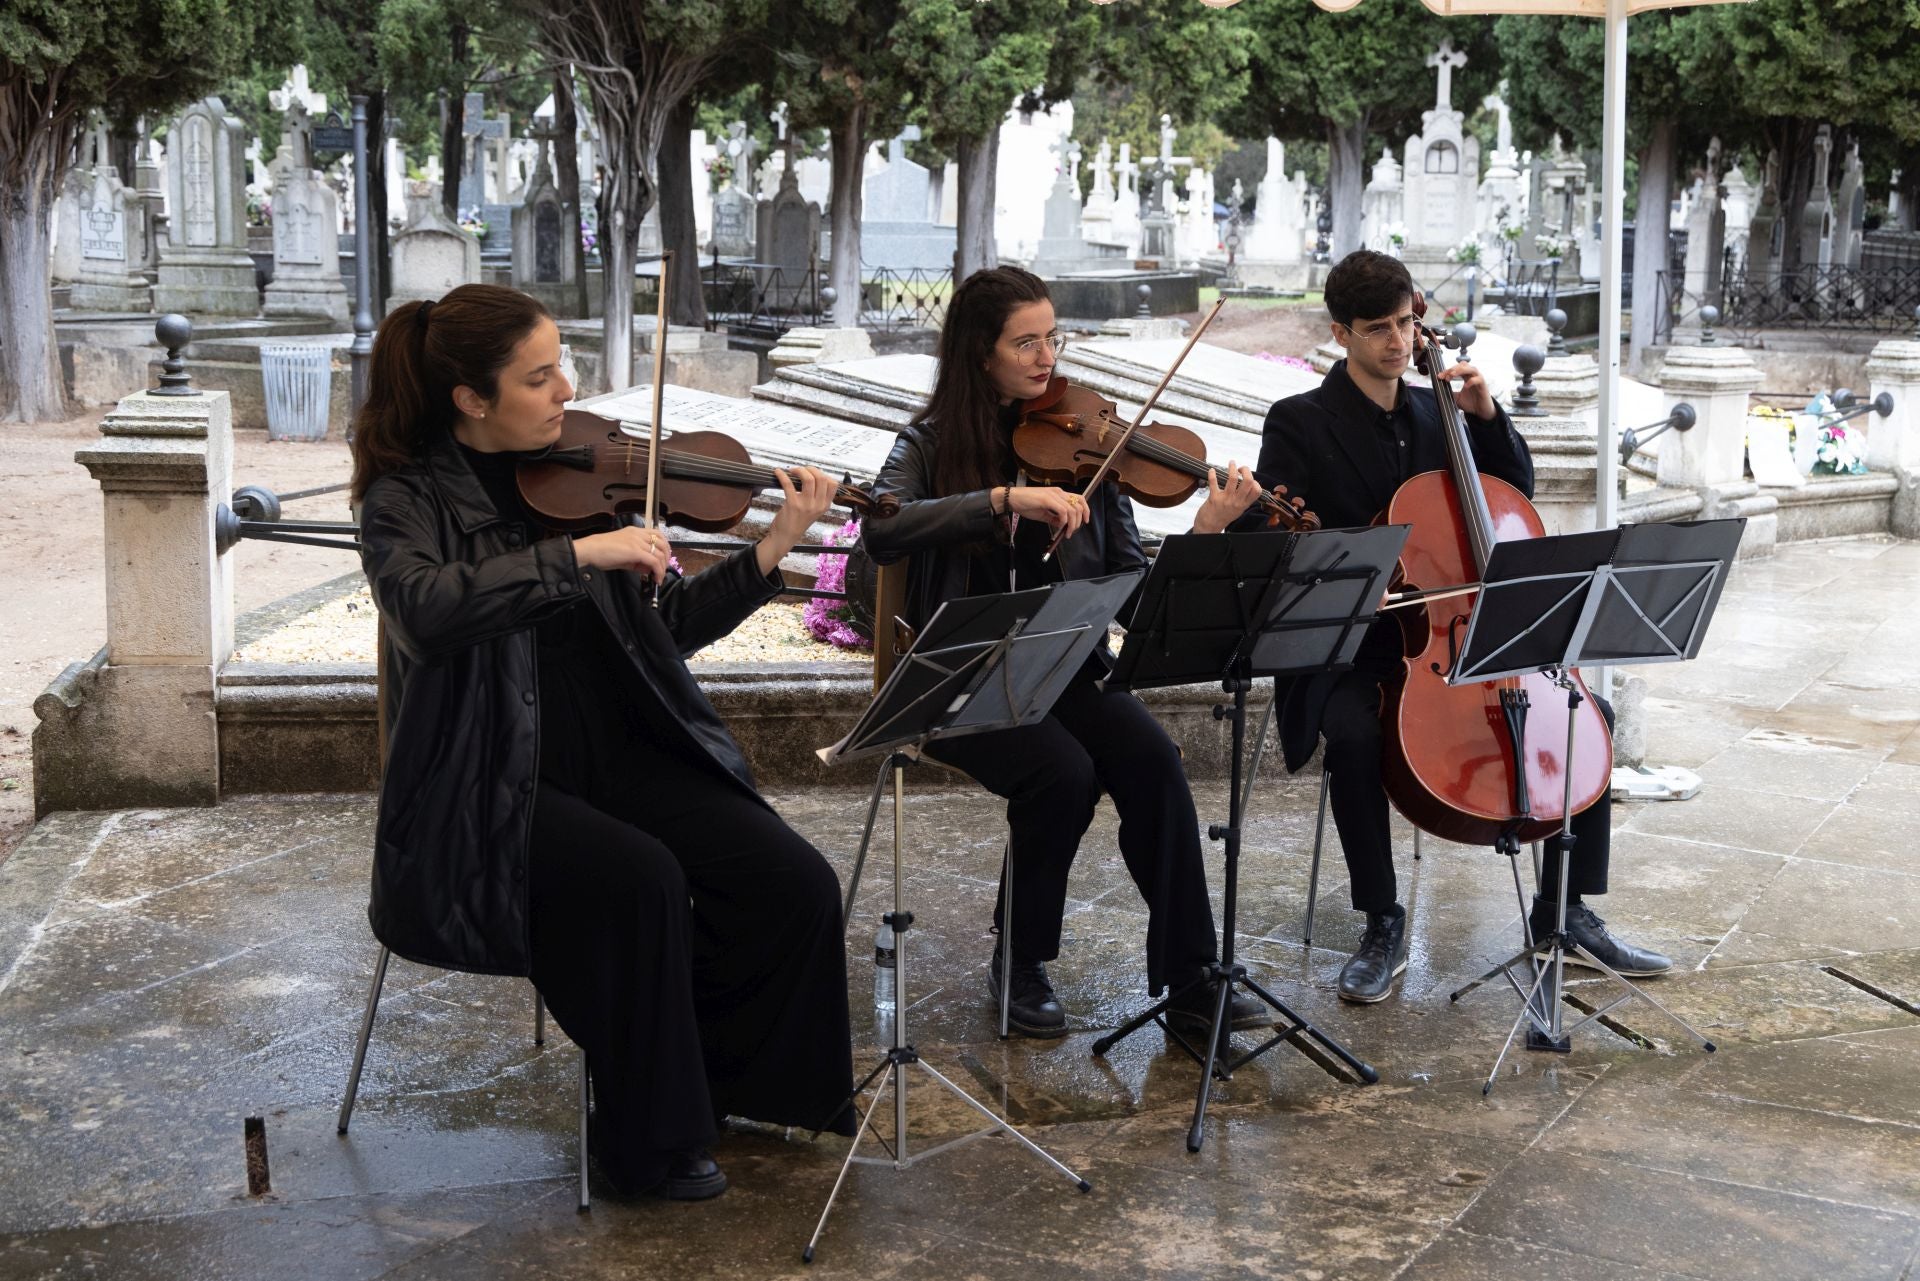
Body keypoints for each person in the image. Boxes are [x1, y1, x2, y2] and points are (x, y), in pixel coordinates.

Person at [350, 283, 855, 1200]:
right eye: (538, 377)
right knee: (641, 878)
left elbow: (662, 634)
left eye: (562, 368)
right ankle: (643, 1137)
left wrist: (772, 546)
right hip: (487, 777)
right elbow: (425, 612)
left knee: (793, 880)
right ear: (471, 398)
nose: (565, 389)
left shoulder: (581, 474)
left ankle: (720, 1081)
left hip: (617, 754)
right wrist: (579, 556)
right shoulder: (406, 497)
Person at [1251, 249, 1671, 1003]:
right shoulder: (1300, 422)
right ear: (1340, 331)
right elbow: (1277, 537)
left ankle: (1564, 912)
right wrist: (1346, 576)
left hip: (1464, 638)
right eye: (1377, 328)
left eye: (1406, 323)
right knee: (1352, 734)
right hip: (1358, 646)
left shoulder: (1436, 409)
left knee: (1586, 713)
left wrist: (1484, 413)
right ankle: (1382, 918)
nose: (1397, 341)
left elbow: (1513, 492)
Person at [862, 265, 1271, 1039]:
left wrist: (1209, 528)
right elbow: (884, 527)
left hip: (1062, 664)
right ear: (980, 352)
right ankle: (1018, 958)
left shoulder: (1091, 444)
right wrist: (1004, 500)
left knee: (1153, 759)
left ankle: (1190, 976)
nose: (1046, 355)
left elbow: (1135, 590)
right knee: (1063, 771)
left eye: (1052, 336)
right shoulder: (929, 442)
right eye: (1026, 342)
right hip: (960, 673)